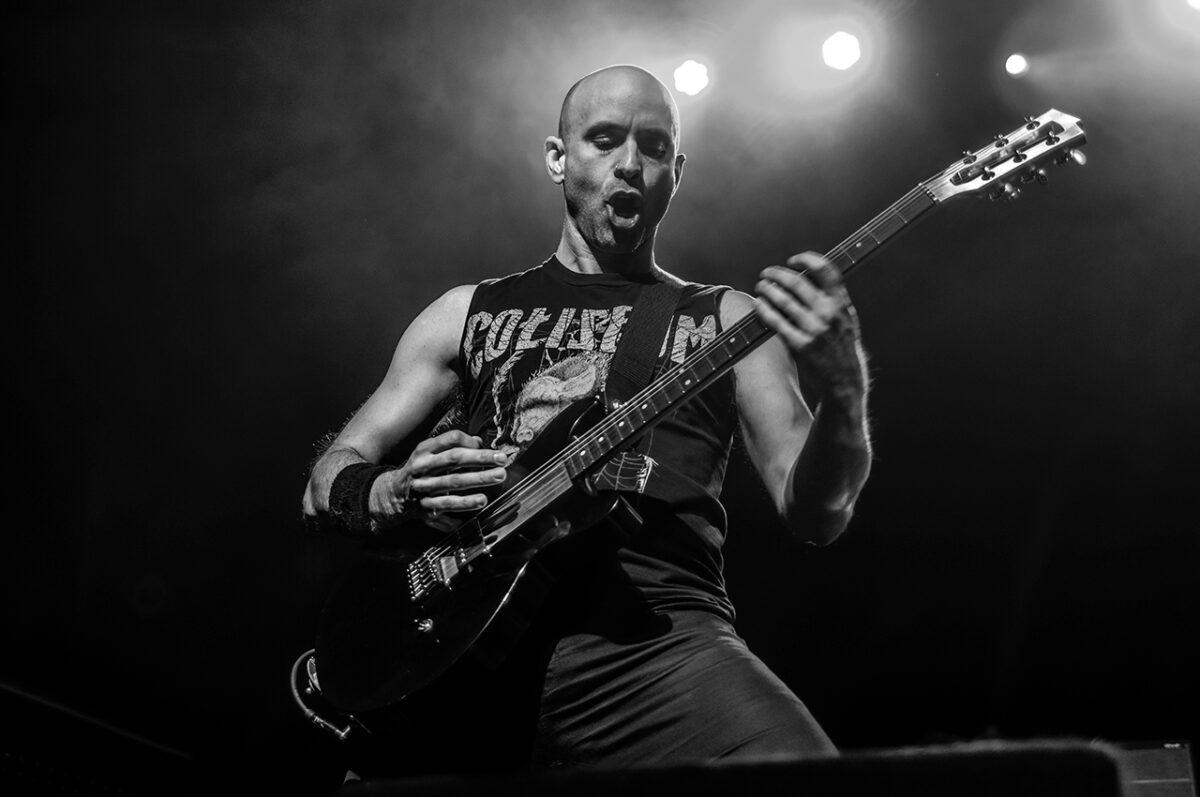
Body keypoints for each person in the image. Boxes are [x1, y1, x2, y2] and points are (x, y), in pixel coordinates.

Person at [302, 64, 872, 773]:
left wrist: (845, 394)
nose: (630, 163)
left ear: (676, 173)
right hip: (458, 642)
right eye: (604, 139)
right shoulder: (465, 312)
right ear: (557, 157)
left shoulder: (729, 320)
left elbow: (817, 511)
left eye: (655, 147)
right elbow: (326, 480)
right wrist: (396, 490)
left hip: (654, 647)